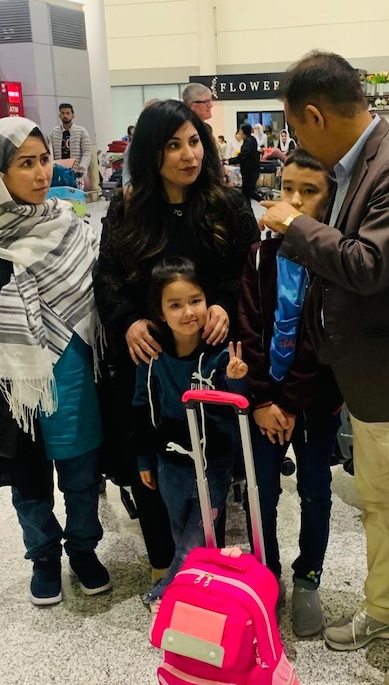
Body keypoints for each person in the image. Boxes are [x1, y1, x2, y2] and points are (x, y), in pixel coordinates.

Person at [259, 51, 389, 685]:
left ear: (315, 115)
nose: (298, 144)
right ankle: (386, 607)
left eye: (297, 129)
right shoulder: (352, 169)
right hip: (370, 380)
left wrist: (293, 225)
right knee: (381, 508)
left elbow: (369, 263)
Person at [0, 116, 111, 608]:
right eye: (25, 164)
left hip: (75, 370)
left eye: (43, 160)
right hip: (10, 385)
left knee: (81, 473)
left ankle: (83, 549)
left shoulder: (69, 221)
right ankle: (42, 556)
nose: (41, 174)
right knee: (27, 478)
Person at [94, 99, 260, 593]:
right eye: (173, 145)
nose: (188, 155)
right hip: (149, 358)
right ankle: (163, 563)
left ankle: (203, 555)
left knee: (212, 455)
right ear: (151, 151)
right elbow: (107, 278)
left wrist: (225, 306)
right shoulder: (128, 207)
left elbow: (250, 273)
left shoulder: (226, 204)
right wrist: (126, 322)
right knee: (152, 455)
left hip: (211, 351)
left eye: (194, 142)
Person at [236, 148, 343, 638]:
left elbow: (321, 343)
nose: (294, 201)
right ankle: (267, 570)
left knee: (316, 489)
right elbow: (249, 326)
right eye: (287, 190)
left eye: (309, 192)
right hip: (264, 403)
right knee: (261, 491)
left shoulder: (334, 259)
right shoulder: (260, 256)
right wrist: (262, 400)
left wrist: (290, 402)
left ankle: (308, 575)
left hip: (314, 400)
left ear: (330, 200)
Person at [134, 258, 248, 606]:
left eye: (195, 301)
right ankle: (195, 585)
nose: (188, 312)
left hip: (213, 458)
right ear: (160, 313)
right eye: (175, 305)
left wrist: (237, 378)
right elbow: (140, 406)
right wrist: (143, 459)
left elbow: (240, 404)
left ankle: (172, 590)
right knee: (178, 523)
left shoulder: (220, 353)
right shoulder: (151, 356)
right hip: (168, 458)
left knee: (202, 528)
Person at [49, 103, 93, 182]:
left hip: (76, 173)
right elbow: (50, 152)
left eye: (68, 113)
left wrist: (82, 168)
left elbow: (87, 152)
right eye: (63, 113)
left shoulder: (81, 131)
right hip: (59, 173)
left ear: (73, 115)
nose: (65, 115)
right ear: (59, 116)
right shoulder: (54, 132)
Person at [229, 123, 261, 201]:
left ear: (243, 132)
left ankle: (265, 202)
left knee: (248, 193)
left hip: (249, 171)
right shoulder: (252, 139)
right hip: (253, 169)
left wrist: (230, 161)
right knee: (247, 193)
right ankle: (249, 210)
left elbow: (243, 156)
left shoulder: (248, 142)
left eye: (240, 130)